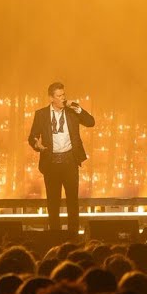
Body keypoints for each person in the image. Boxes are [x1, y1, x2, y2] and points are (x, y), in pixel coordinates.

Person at [28, 82, 95, 234]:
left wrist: (78, 108)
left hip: (70, 162)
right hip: (51, 163)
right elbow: (32, 136)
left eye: (63, 95)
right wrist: (36, 144)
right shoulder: (41, 114)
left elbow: (91, 122)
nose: (62, 98)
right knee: (53, 203)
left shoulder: (72, 112)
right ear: (51, 98)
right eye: (59, 96)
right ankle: (55, 235)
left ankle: (73, 235)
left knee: (73, 201)